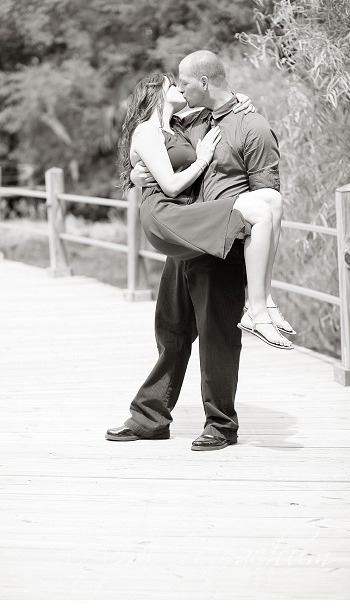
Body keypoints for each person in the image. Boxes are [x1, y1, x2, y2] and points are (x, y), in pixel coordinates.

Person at [106, 50, 284, 451]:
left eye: (184, 82)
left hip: (221, 241)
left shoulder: (250, 126)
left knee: (218, 337)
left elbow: (269, 195)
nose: (180, 88)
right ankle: (149, 418)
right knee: (171, 330)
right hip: (186, 231)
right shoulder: (192, 120)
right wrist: (135, 173)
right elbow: (153, 151)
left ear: (203, 82)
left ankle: (221, 425)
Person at [117, 71, 293, 349]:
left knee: (272, 200)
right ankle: (255, 312)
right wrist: (201, 160)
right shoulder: (147, 129)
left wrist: (239, 101)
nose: (180, 88)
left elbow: (216, 105)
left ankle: (264, 300)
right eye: (173, 85)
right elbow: (171, 185)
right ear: (158, 93)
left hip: (184, 209)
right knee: (259, 212)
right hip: (165, 212)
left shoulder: (178, 126)